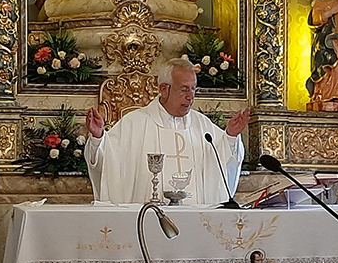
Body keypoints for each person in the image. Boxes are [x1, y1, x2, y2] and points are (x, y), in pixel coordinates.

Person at [84, 58, 249, 205]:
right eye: (184, 89)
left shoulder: (202, 125)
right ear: (164, 89)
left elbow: (224, 160)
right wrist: (98, 138)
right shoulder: (134, 123)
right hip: (147, 220)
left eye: (193, 89)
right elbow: (108, 161)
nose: (190, 96)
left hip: (195, 221)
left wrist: (231, 136)